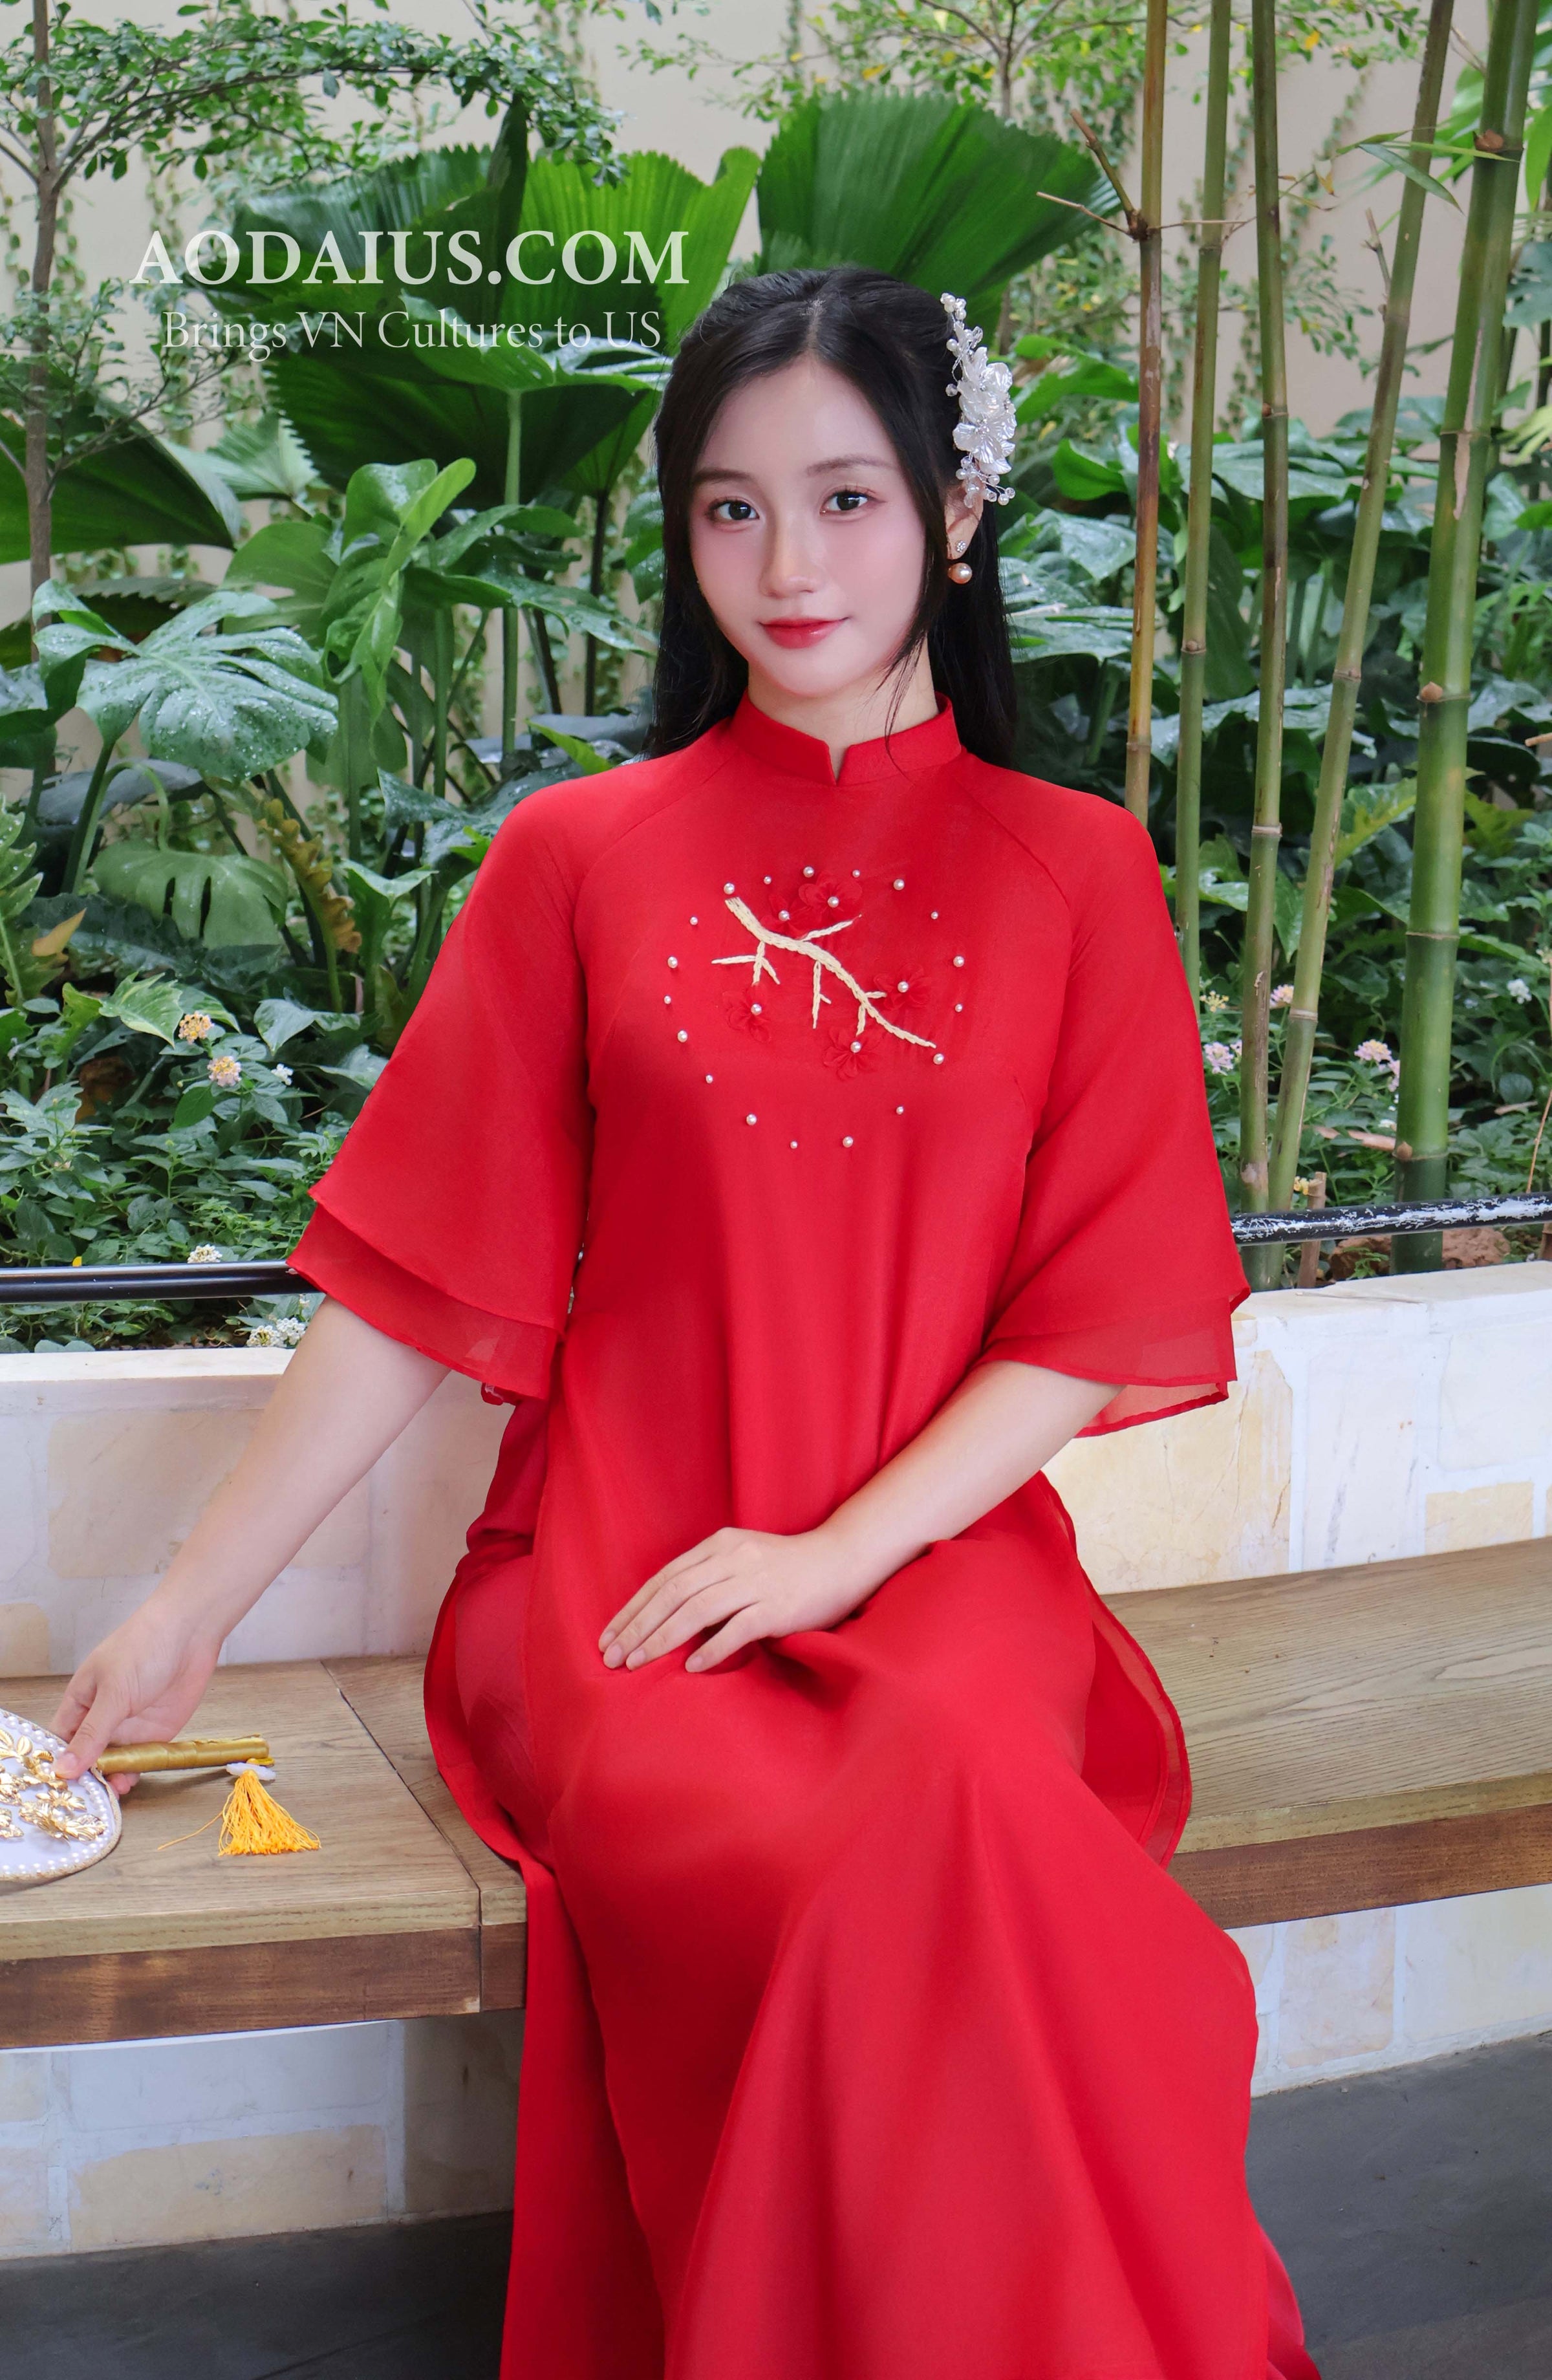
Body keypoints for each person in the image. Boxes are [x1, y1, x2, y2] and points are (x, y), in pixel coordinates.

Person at [54, 267, 1319, 2380]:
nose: (787, 564)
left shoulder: (1078, 873)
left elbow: (1092, 1317)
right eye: (731, 508)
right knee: (818, 1859)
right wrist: (188, 1609)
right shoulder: (578, 859)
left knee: (961, 1809)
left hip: (938, 1570)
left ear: (957, 512)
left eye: (846, 498)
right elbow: (414, 1288)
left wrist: (835, 1556)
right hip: (622, 1580)